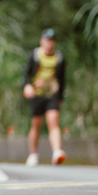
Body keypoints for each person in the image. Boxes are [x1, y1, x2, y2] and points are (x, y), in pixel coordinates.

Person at [22, 28, 66, 166]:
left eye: (52, 41)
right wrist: (27, 86)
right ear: (42, 41)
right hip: (37, 94)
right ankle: (33, 154)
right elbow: (26, 73)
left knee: (53, 121)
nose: (49, 43)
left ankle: (57, 152)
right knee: (36, 124)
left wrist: (60, 98)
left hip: (52, 93)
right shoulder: (35, 55)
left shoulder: (59, 58)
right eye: (47, 40)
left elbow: (62, 79)